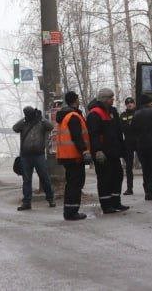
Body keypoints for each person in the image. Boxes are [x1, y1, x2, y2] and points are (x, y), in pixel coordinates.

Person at [86, 88, 128, 214]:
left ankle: (116, 202)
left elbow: (118, 132)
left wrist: (122, 149)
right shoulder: (94, 114)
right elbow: (93, 135)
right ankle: (106, 205)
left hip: (114, 152)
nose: (112, 100)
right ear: (104, 99)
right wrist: (98, 150)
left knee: (117, 176)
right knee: (105, 179)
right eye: (110, 98)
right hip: (102, 154)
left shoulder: (113, 112)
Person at [55, 91, 91, 221]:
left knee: (71, 183)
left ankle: (69, 210)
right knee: (76, 183)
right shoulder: (73, 116)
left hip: (66, 156)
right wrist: (85, 151)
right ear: (75, 100)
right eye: (78, 99)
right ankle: (72, 212)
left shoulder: (64, 115)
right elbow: (77, 136)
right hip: (74, 156)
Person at [12, 107, 55, 211]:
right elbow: (15, 128)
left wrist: (42, 118)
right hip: (25, 155)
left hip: (39, 155)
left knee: (44, 177)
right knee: (26, 180)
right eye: (26, 114)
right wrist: (24, 119)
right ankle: (26, 202)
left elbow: (51, 126)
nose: (28, 115)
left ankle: (50, 199)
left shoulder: (41, 122)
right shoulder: (24, 122)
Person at [119, 96, 137, 196]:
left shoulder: (138, 113)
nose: (129, 104)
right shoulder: (123, 115)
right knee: (128, 167)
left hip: (139, 141)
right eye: (127, 103)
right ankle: (129, 188)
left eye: (131, 103)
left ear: (134, 104)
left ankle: (148, 188)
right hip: (128, 142)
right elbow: (121, 128)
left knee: (145, 164)